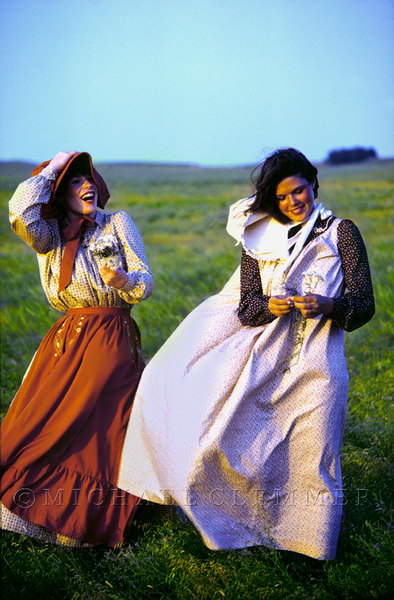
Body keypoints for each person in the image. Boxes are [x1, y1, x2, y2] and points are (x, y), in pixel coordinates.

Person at [117, 148, 375, 560]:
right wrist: (270, 306)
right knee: (238, 450)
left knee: (315, 457)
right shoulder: (259, 236)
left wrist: (328, 306)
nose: (294, 201)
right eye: (283, 196)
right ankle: (248, 537)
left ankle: (312, 552)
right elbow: (248, 306)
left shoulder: (341, 231)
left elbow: (364, 303)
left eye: (300, 191)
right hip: (265, 361)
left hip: (320, 363)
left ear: (313, 185)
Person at [0, 151, 154, 548]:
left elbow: (145, 281)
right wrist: (52, 169)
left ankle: (87, 524)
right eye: (73, 180)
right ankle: (33, 514)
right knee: (48, 423)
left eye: (88, 178)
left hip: (113, 335)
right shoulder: (48, 235)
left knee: (105, 429)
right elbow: (19, 212)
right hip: (69, 339)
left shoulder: (116, 222)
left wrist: (122, 279)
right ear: (56, 192)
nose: (85, 185)